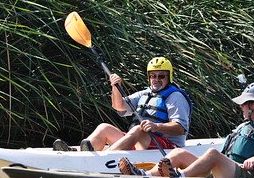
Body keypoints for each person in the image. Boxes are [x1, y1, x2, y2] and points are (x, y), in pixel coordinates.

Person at [119, 81, 254, 178]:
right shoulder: (245, 126)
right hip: (230, 169)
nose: (240, 106)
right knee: (179, 153)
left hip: (248, 175)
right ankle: (145, 175)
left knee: (212, 154)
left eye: (244, 103)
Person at [53, 56, 192, 152]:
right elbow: (119, 107)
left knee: (138, 129)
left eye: (161, 76)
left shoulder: (175, 97)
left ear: (169, 77)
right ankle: (80, 155)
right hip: (141, 143)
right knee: (104, 128)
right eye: (153, 75)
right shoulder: (145, 94)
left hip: (168, 147)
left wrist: (156, 126)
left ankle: (107, 156)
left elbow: (180, 128)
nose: (156, 79)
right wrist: (115, 86)